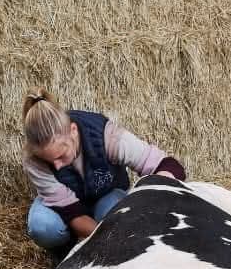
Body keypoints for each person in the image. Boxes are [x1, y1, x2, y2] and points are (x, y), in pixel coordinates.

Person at [21, 89, 186, 251]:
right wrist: (107, 239)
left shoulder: (107, 137)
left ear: (73, 131)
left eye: (61, 155)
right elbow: (72, 213)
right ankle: (66, 249)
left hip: (106, 197)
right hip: (67, 210)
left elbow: (167, 165)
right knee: (42, 225)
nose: (56, 166)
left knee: (117, 214)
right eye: (49, 160)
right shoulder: (33, 159)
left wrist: (157, 194)